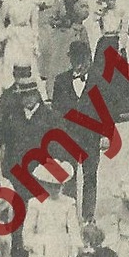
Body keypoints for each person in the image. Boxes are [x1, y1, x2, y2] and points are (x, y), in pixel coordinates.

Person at [51, 41, 105, 223]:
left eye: (82, 59)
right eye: (75, 59)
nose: (79, 64)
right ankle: (71, 214)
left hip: (91, 137)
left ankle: (88, 216)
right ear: (70, 59)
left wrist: (105, 134)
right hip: (69, 137)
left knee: (90, 176)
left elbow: (104, 110)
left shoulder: (97, 79)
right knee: (69, 176)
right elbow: (57, 111)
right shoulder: (61, 81)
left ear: (88, 58)